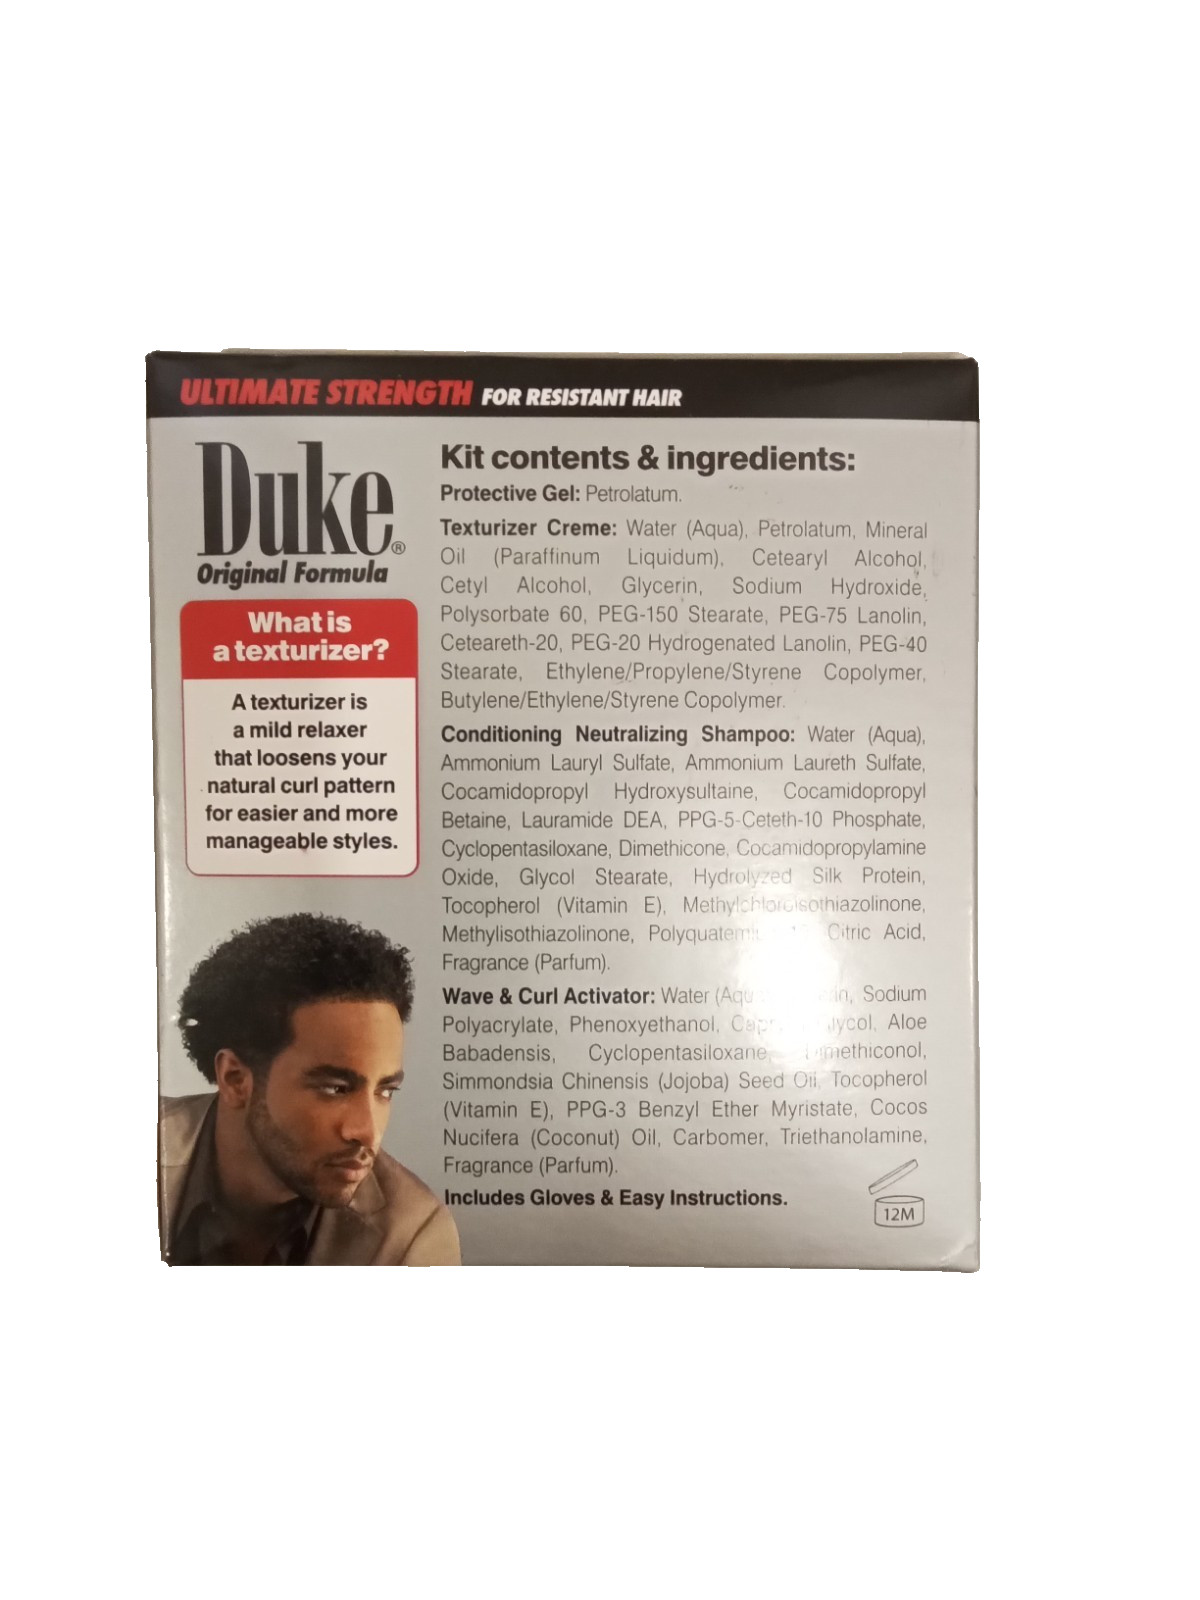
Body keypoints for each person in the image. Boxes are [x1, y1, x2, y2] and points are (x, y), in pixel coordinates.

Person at [159, 912, 459, 1266]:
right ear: (235, 1079)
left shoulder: (409, 1236)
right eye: (335, 1089)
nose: (367, 1132)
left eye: (385, 1091)